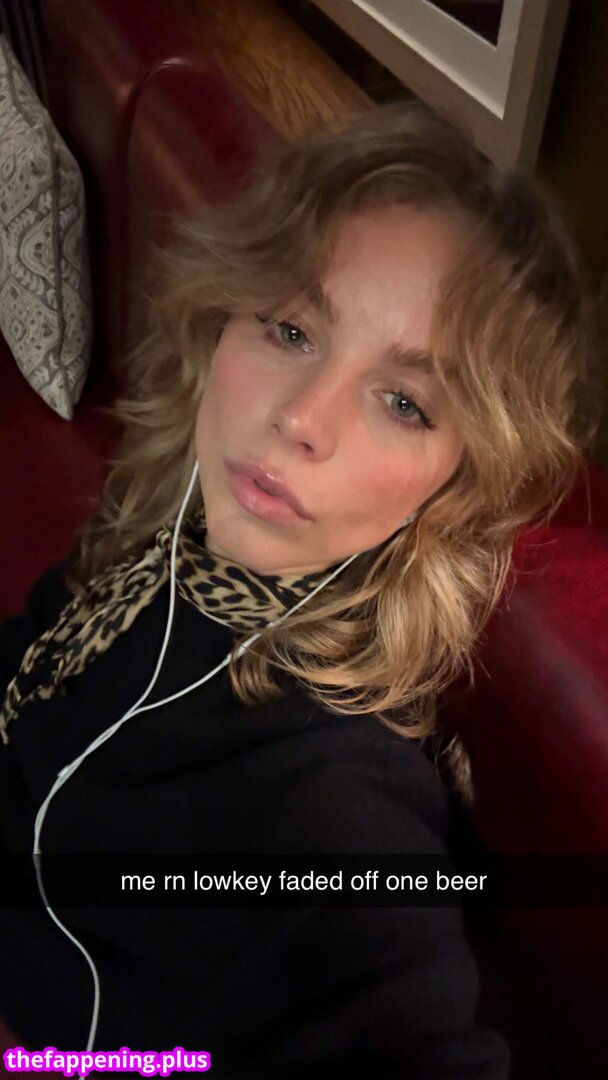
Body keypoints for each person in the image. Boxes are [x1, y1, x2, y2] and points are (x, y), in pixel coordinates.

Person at [0, 101, 598, 1079]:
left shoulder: (333, 805)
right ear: (221, 320)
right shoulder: (167, 534)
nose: (302, 418)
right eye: (290, 328)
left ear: (452, 488)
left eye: (403, 402)